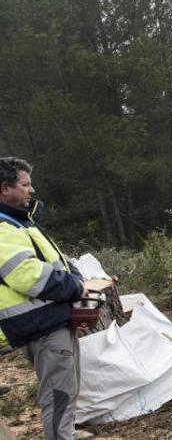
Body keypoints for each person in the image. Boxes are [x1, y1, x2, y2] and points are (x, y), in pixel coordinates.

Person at [0, 157, 86, 440]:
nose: (31, 190)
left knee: (66, 390)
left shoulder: (20, 222)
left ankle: (66, 434)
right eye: (25, 184)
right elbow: (26, 274)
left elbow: (53, 260)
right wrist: (74, 288)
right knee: (58, 395)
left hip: (52, 320)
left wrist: (74, 276)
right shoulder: (3, 228)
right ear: (4, 189)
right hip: (42, 326)